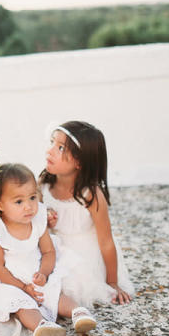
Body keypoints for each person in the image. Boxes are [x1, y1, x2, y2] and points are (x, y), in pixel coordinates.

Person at [0, 163, 97, 336]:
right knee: (21, 305)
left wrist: (44, 273)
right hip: (12, 280)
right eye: (19, 202)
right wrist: (23, 287)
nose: (29, 207)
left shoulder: (38, 218)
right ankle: (42, 327)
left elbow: (49, 251)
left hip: (38, 272)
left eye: (32, 197)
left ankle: (78, 312)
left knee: (54, 292)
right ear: (0, 205)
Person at [43, 121, 135, 307]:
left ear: (80, 162)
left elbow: (106, 241)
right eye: (52, 142)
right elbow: (31, 215)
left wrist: (112, 283)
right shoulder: (44, 183)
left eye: (60, 148)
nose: (50, 151)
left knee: (68, 286)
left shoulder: (91, 195)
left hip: (83, 254)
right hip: (52, 248)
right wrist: (44, 215)